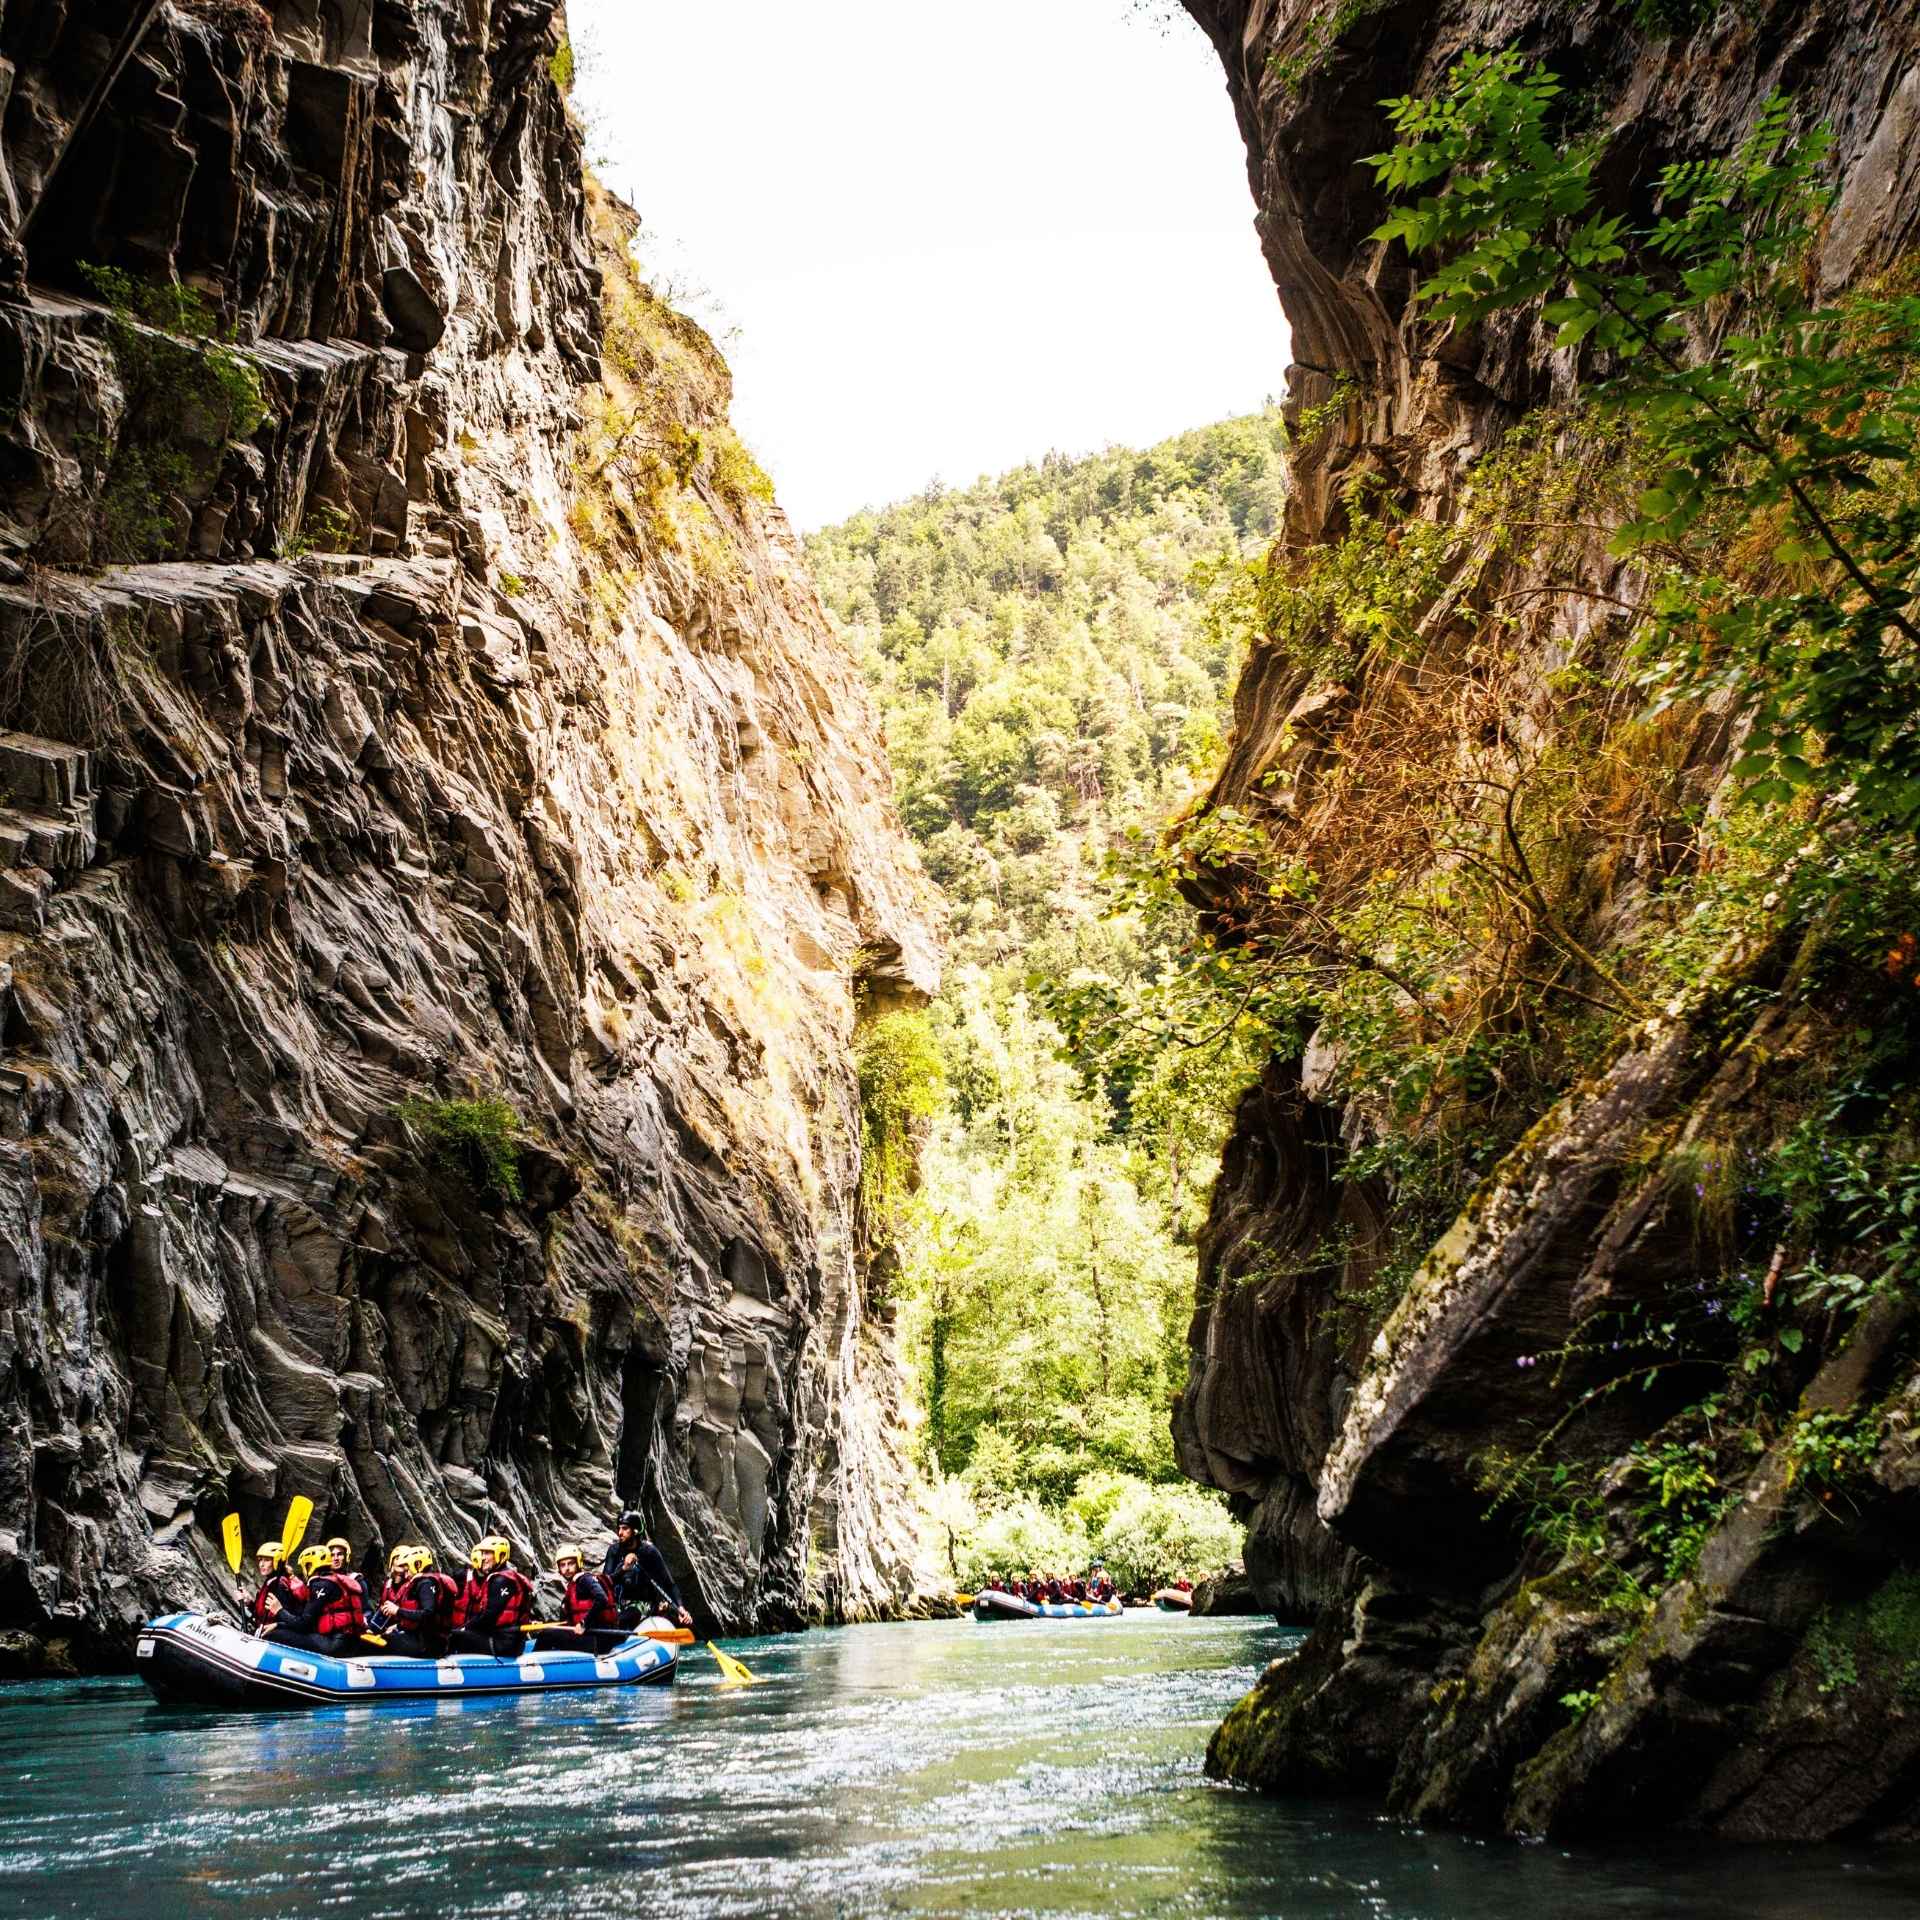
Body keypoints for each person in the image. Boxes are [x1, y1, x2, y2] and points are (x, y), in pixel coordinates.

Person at [264, 1544, 373, 1655]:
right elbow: (311, 1622)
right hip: (349, 1643)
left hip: (334, 1645)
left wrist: (279, 1611)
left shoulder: (321, 1585)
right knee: (281, 1630)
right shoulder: (335, 1581)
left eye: (305, 1566)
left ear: (310, 1565)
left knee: (273, 1635)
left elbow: (303, 1624)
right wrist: (279, 1624)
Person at [602, 1510, 692, 1628]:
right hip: (619, 1605)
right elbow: (605, 1583)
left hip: (644, 1604)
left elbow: (669, 1584)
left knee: (629, 1615)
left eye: (625, 1529)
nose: (620, 1532)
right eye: (619, 1528)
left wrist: (680, 1608)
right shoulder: (614, 1550)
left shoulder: (649, 1551)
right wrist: (624, 1568)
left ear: (635, 1531)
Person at [448, 1535, 535, 1655]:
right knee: (459, 1633)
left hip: (503, 1644)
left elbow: (489, 1615)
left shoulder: (501, 1580)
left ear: (501, 1555)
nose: (483, 1558)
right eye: (482, 1553)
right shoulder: (503, 1577)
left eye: (488, 1554)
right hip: (508, 1641)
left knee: (453, 1636)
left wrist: (464, 1628)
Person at [531, 1545, 627, 1652]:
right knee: (547, 1632)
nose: (567, 1568)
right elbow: (569, 1620)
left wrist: (583, 1623)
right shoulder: (579, 1582)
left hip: (597, 1640)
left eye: (571, 1563)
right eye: (562, 1565)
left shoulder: (584, 1580)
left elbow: (602, 1599)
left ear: (578, 1563)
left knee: (546, 1636)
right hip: (597, 1637)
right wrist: (543, 1625)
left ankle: (529, 1667)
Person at [378, 1547, 455, 1657]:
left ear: (418, 1565)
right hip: (424, 1639)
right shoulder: (422, 1582)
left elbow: (428, 1614)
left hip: (429, 1644)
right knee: (386, 1636)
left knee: (383, 1642)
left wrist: (397, 1611)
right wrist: (399, 1626)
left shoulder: (425, 1584)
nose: (405, 1573)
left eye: (407, 1568)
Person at [247, 1540, 305, 1633]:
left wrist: (277, 1626)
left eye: (267, 1560)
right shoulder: (271, 1580)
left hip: (274, 1634)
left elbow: (287, 1617)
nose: (261, 1564)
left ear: (277, 1562)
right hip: (264, 1630)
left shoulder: (279, 1584)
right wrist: (249, 1602)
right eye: (260, 1560)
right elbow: (263, 1614)